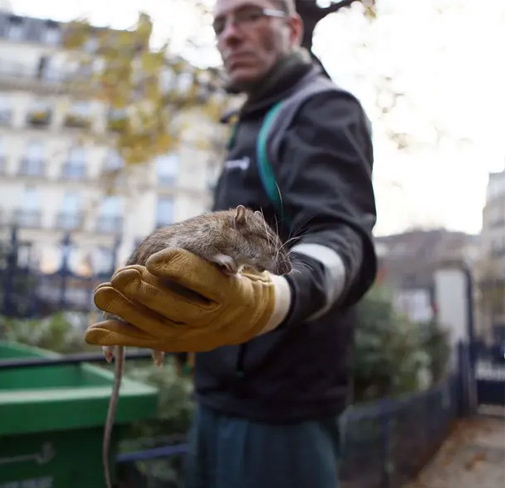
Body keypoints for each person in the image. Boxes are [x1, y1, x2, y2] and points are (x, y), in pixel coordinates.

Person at [86, 0, 377, 486]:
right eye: (219, 23)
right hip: (216, 394)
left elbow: (344, 238)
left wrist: (272, 299)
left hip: (282, 409)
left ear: (292, 27)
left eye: (248, 15)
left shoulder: (320, 108)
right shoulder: (248, 119)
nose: (229, 34)